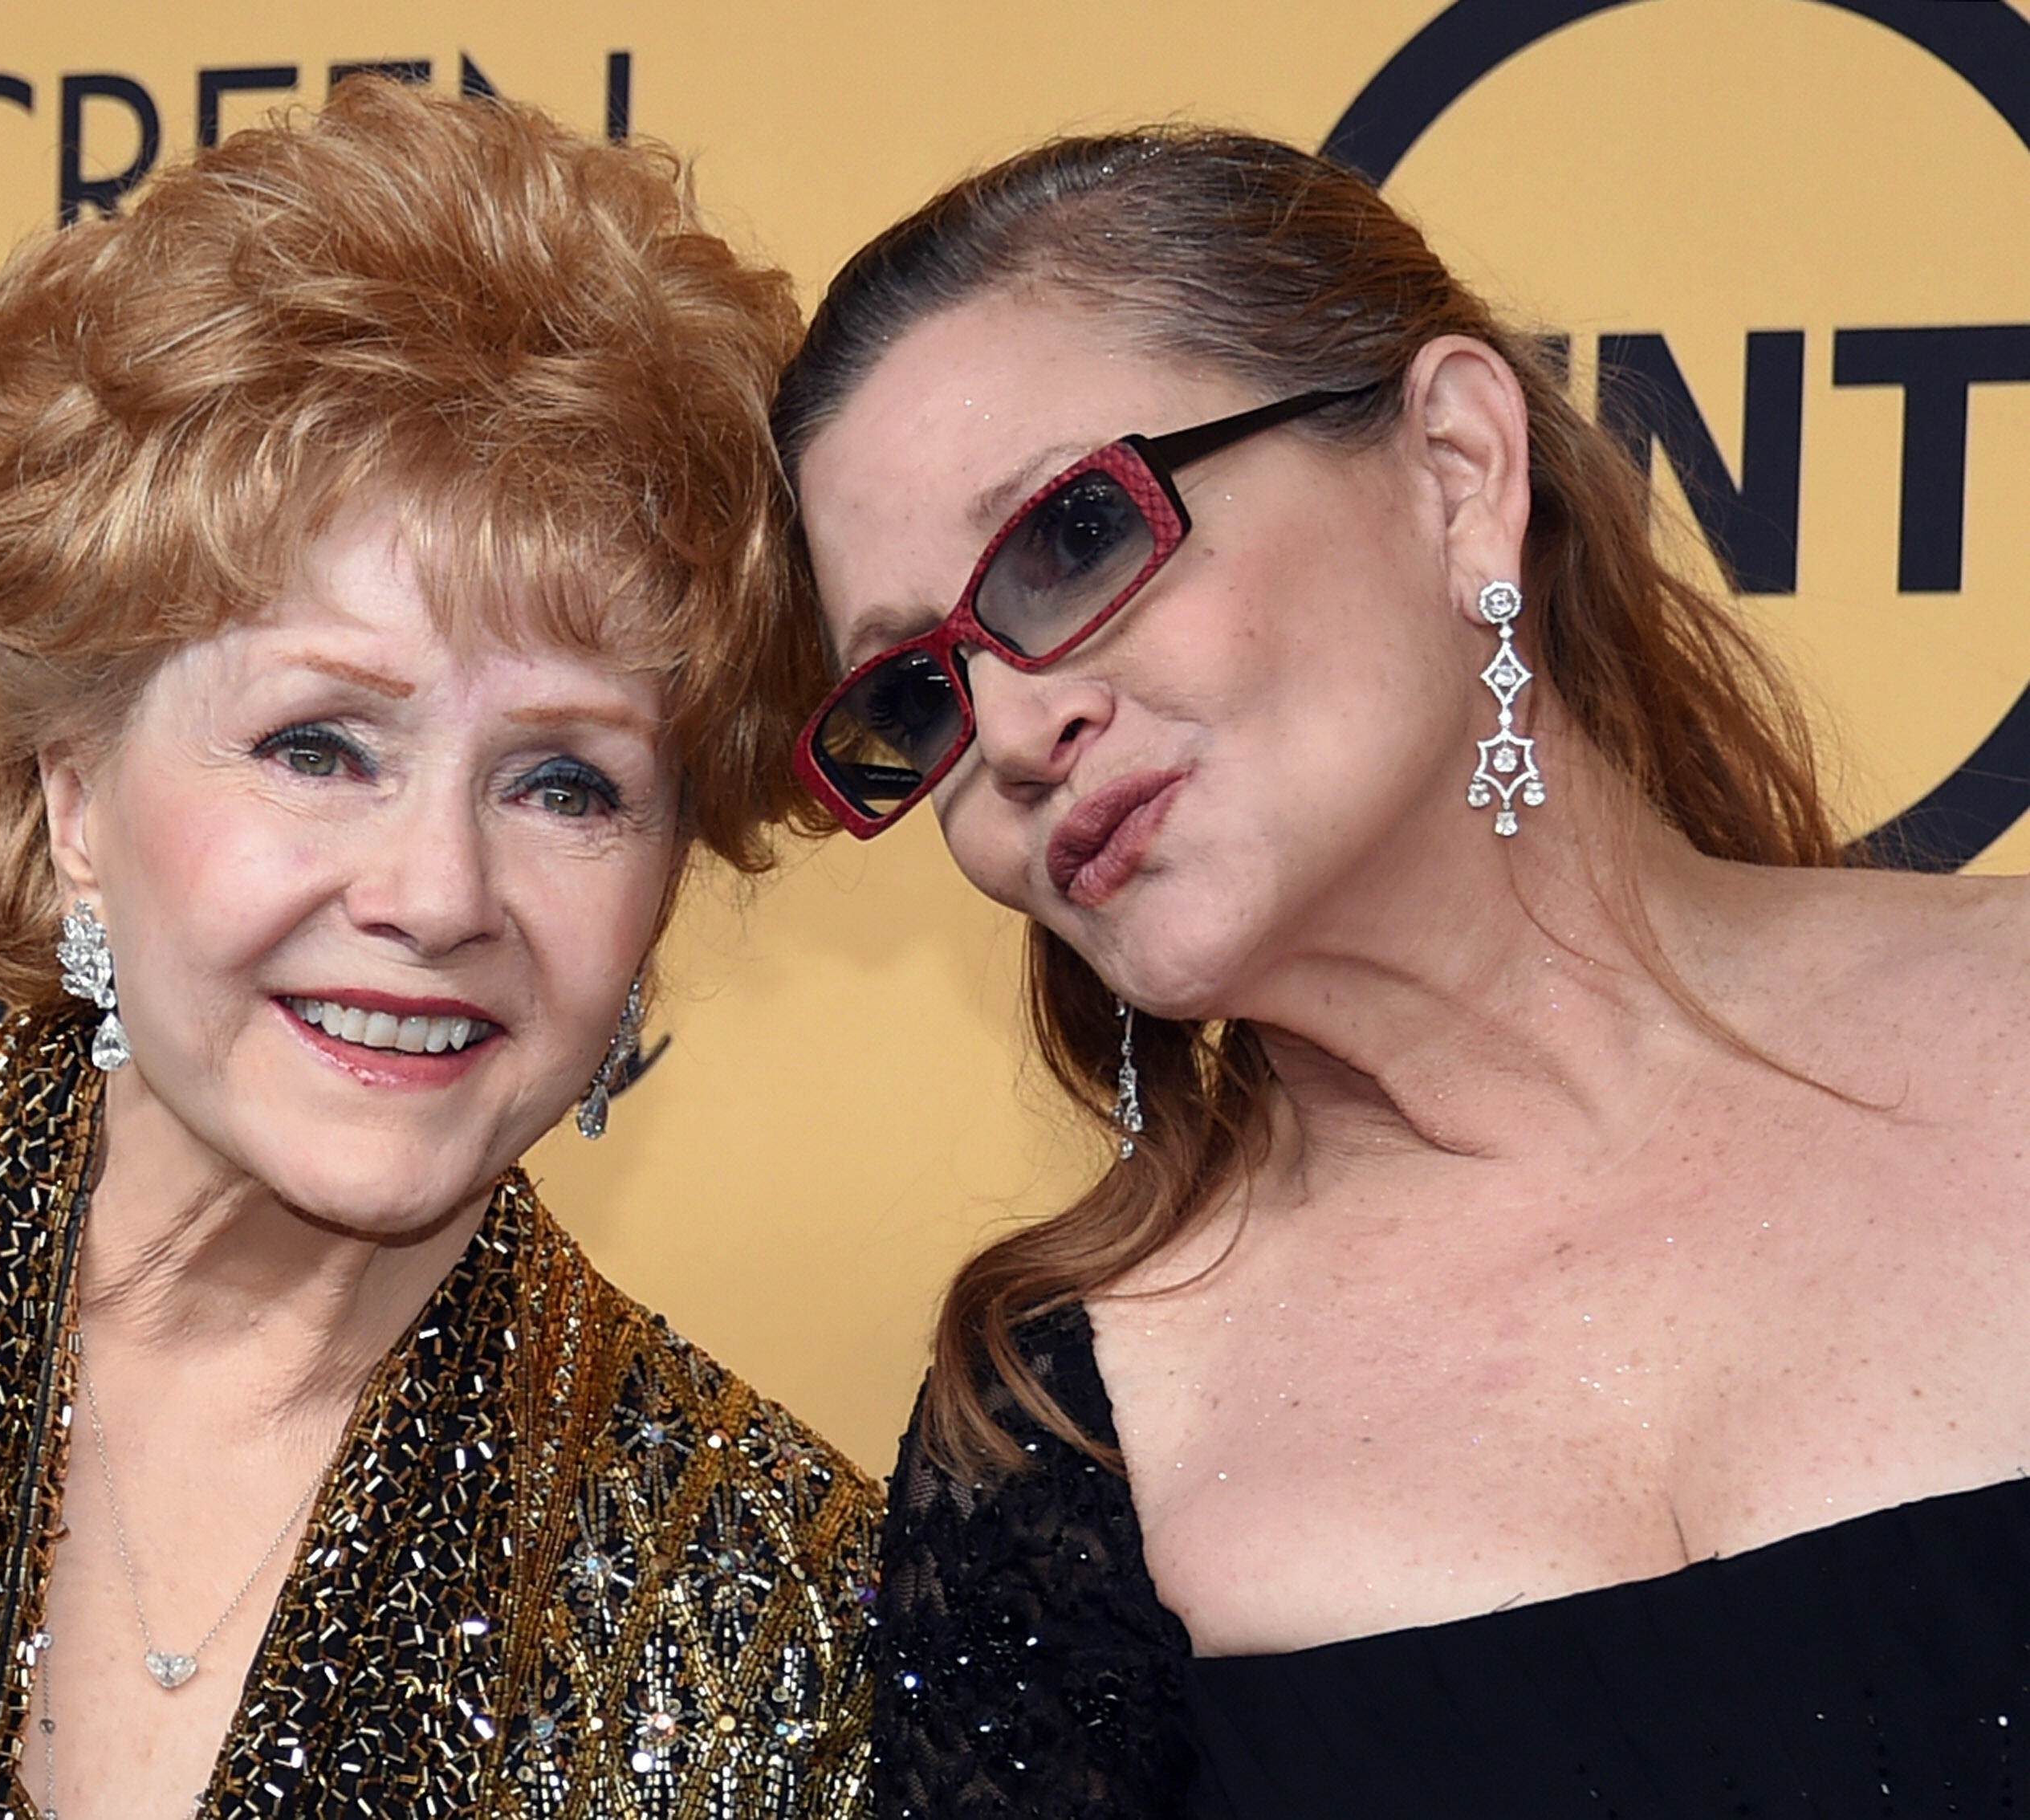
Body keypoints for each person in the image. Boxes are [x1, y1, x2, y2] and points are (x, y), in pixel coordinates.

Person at [0, 79, 877, 1819]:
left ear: (666, 877)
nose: (437, 893)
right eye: (319, 746)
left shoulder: (774, 1619)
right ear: (74, 794)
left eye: (565, 783)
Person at [767, 125, 2030, 1818]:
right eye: (915, 691)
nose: (1006, 733)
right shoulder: (1052, 1444)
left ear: (1456, 465)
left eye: (1071, 539)